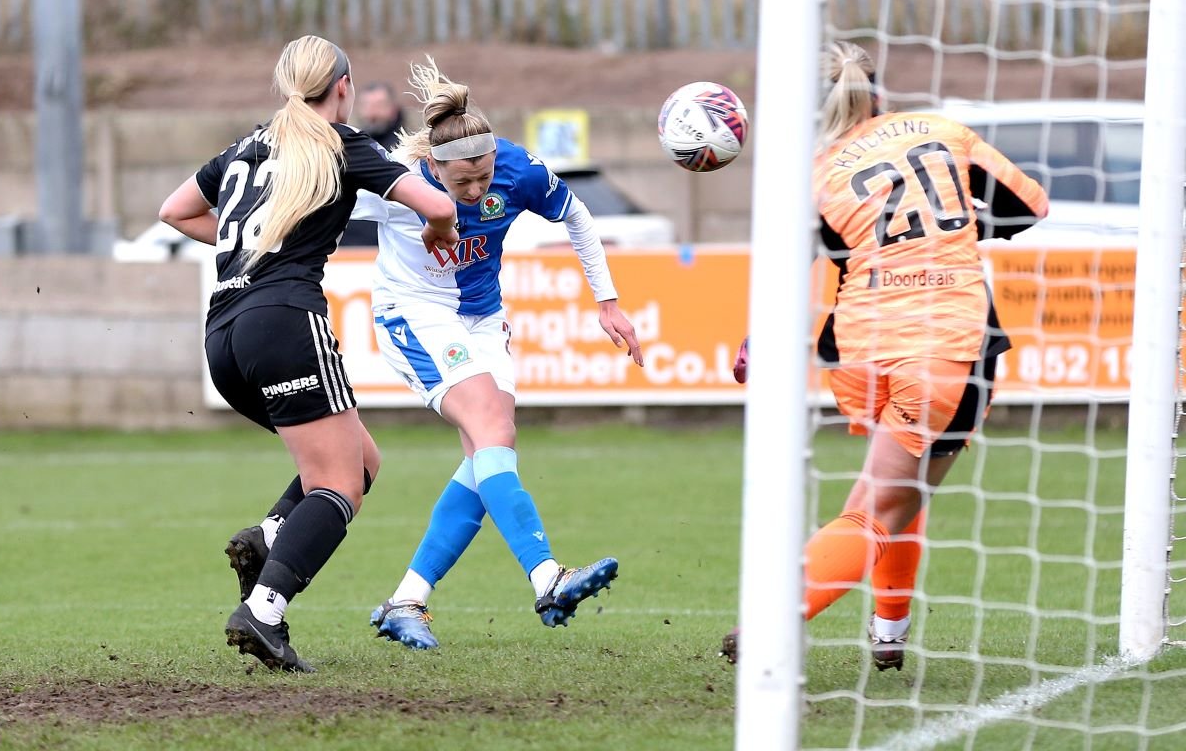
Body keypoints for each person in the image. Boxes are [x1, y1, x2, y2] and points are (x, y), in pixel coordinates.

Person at [721, 41, 1048, 670]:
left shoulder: (814, 174)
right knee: (876, 507)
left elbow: (793, 271)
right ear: (878, 94)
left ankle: (890, 632)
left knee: (905, 493)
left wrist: (757, 338)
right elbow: (1029, 206)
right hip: (948, 344)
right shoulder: (941, 130)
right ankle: (769, 622)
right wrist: (951, 231)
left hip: (863, 347)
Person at [158, 35, 457, 672]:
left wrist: (254, 243)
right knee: (339, 483)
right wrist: (440, 231)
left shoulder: (247, 145)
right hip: (285, 322)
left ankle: (266, 539)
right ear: (343, 86)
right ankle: (264, 610)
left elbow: (175, 210)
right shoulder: (340, 143)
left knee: (362, 460)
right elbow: (437, 203)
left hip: (223, 337)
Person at [350, 57, 645, 650]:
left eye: (483, 178)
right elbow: (314, 209)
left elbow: (578, 216)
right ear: (433, 166)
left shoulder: (515, 166)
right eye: (462, 184)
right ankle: (547, 577)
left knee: (492, 450)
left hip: (483, 318)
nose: (477, 191)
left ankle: (407, 600)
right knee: (490, 429)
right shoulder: (394, 182)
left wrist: (608, 301)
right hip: (415, 314)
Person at [358, 81, 406, 151]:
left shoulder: (406, 147)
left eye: (379, 106)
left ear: (393, 109)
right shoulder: (354, 145)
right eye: (367, 106)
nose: (372, 113)